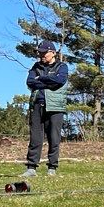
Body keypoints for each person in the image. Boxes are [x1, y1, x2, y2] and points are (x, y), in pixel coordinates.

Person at [22, 41, 69, 177]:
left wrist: (41, 78)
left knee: (54, 137)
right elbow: (30, 82)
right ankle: (31, 167)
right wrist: (49, 80)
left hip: (55, 106)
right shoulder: (36, 66)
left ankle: (52, 167)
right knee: (35, 137)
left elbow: (59, 81)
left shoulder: (62, 66)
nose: (41, 55)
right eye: (39, 52)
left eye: (44, 52)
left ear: (53, 53)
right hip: (37, 104)